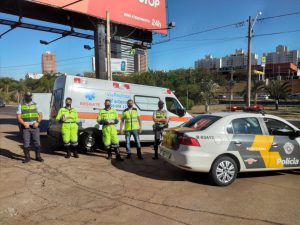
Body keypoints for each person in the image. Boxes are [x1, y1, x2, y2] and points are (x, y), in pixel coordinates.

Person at [16, 92, 44, 163]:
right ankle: (27, 157)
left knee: (37, 142)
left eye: (29, 96)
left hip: (35, 127)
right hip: (26, 127)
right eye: (26, 96)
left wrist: (37, 122)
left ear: (31, 97)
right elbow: (18, 117)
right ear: (24, 97)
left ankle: (38, 157)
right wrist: (23, 123)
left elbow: (40, 115)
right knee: (26, 142)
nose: (28, 97)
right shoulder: (21, 105)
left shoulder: (36, 105)